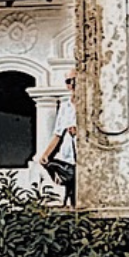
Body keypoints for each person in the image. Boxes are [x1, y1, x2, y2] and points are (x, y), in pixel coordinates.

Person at [37, 73, 78, 207]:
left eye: (75, 80)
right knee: (69, 186)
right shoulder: (65, 107)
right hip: (68, 154)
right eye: (69, 81)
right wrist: (46, 154)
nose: (72, 84)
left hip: (83, 153)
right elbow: (57, 134)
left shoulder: (89, 104)